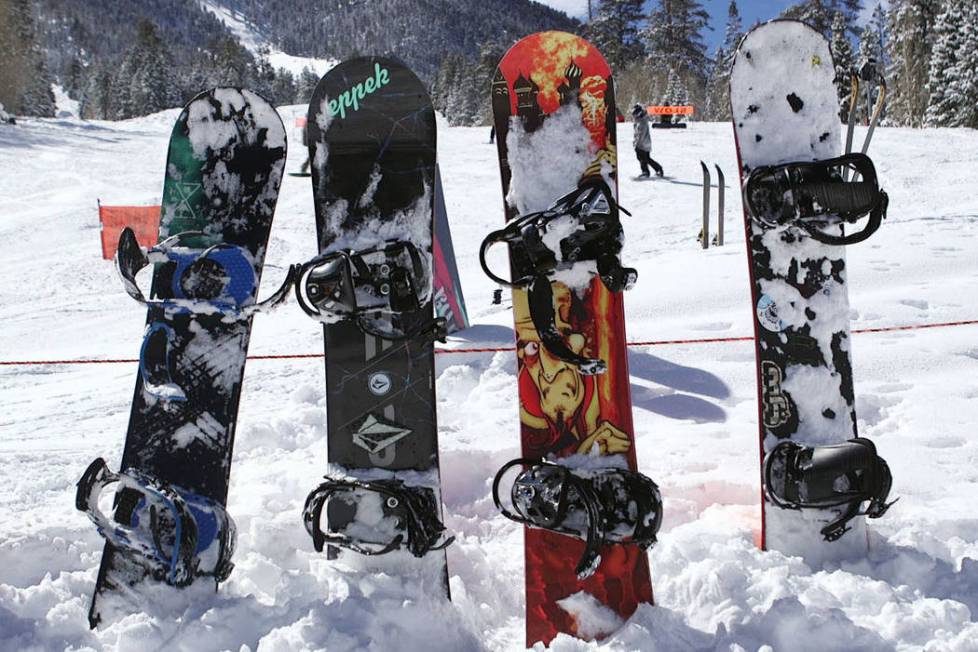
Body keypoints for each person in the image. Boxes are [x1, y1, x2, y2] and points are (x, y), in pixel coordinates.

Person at [632, 104, 663, 178]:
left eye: (635, 114)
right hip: (645, 143)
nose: (634, 116)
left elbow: (641, 134)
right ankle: (658, 169)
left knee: (642, 158)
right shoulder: (640, 120)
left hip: (642, 143)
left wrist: (637, 144)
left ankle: (645, 172)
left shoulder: (642, 122)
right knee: (646, 158)